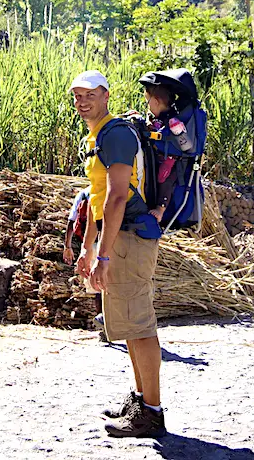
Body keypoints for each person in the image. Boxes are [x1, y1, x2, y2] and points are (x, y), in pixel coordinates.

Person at [70, 69, 165, 439]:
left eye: (89, 94)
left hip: (129, 238)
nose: (82, 101)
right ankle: (140, 400)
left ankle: (152, 413)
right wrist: (87, 246)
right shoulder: (95, 137)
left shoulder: (117, 134)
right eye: (77, 95)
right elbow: (96, 200)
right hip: (115, 237)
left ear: (105, 95)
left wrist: (104, 254)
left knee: (139, 326)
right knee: (127, 325)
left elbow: (117, 197)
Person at [63, 186, 104, 329]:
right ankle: (111, 322)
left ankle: (103, 322)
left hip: (90, 244)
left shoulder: (85, 193)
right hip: (110, 243)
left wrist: (67, 246)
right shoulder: (113, 189)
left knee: (98, 286)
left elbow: (71, 221)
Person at [143, 82, 179, 223]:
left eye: (148, 103)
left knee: (165, 180)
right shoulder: (156, 117)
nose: (148, 107)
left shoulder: (171, 119)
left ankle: (160, 209)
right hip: (157, 156)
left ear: (156, 102)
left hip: (170, 160)